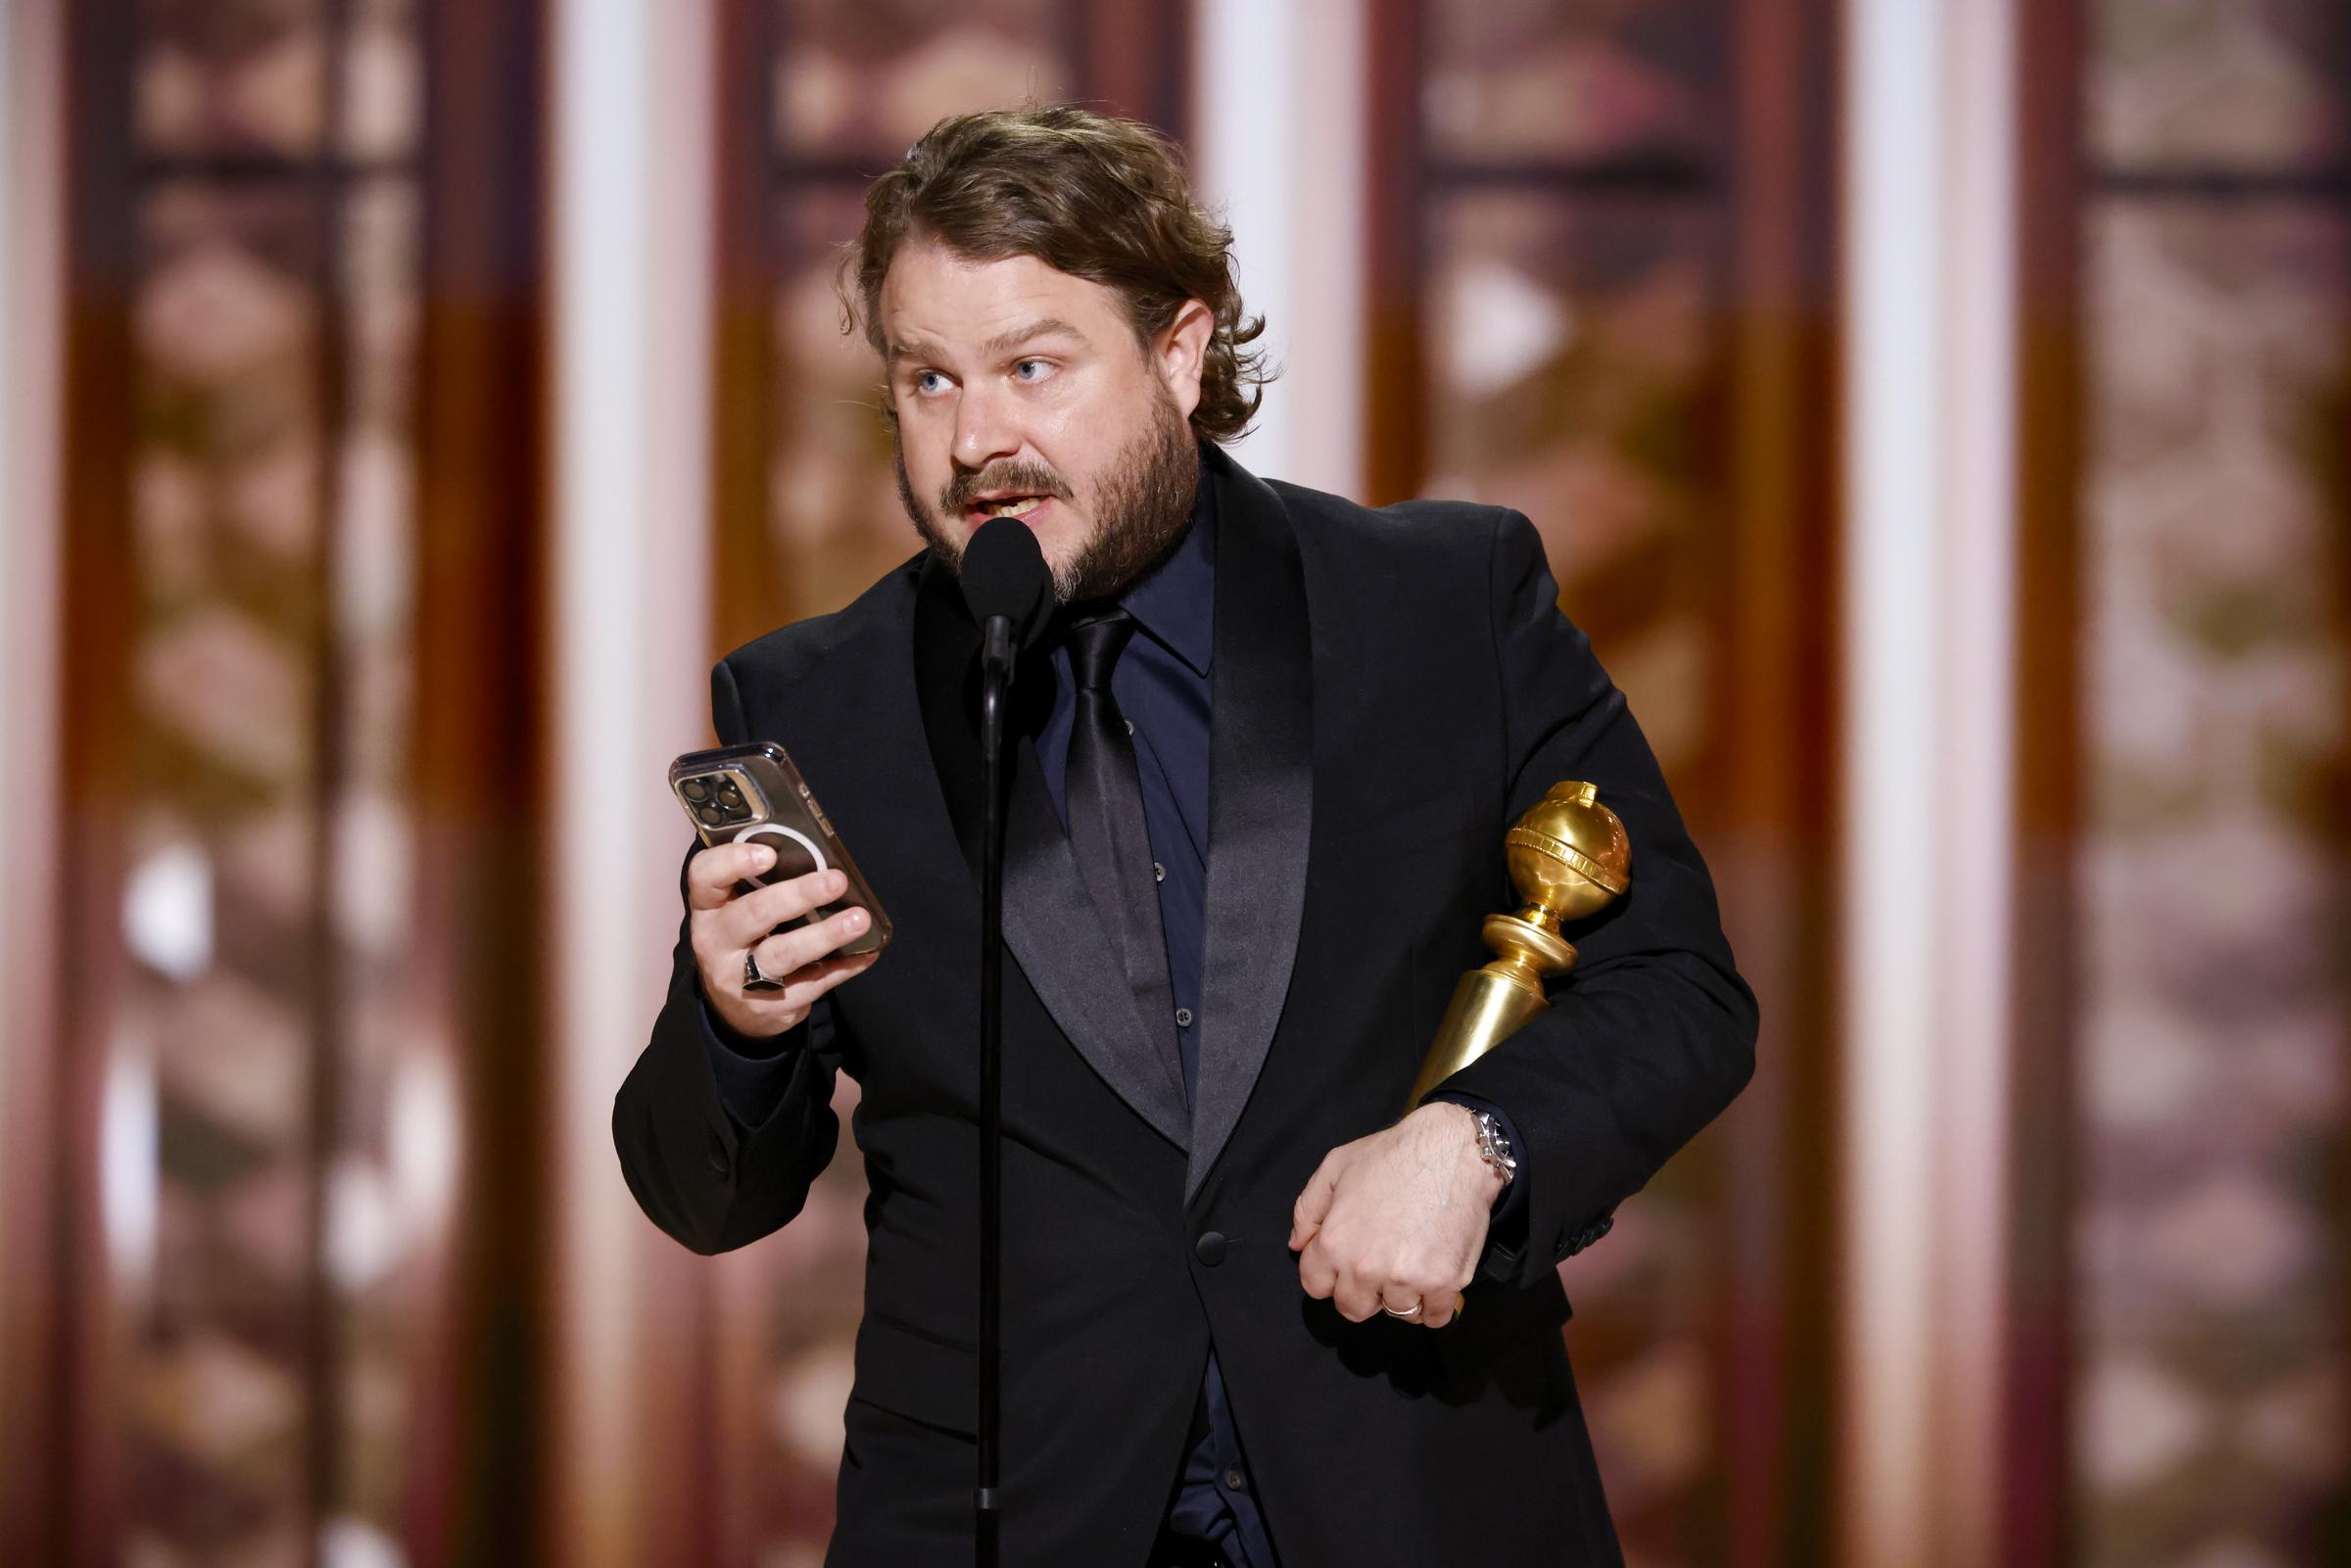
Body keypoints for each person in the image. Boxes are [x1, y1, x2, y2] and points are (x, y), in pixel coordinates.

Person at [613, 105, 1755, 1568]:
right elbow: (703, 1194)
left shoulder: (1442, 604)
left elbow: (1680, 990)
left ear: (1180, 350)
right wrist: (735, 1020)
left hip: (1410, 1490)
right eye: (928, 380)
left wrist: (1481, 1143)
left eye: (1034, 366)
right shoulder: (811, 704)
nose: (977, 440)